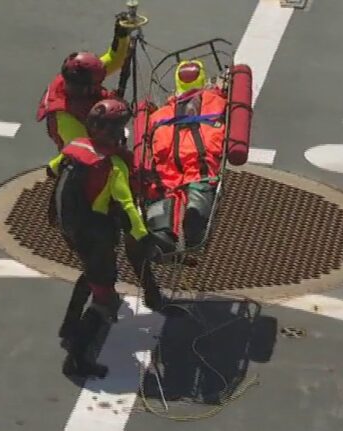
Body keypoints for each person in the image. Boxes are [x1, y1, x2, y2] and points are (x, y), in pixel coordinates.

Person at [48, 98, 161, 378]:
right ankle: (77, 360)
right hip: (95, 234)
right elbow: (128, 208)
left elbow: (51, 169)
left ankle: (69, 326)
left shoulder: (75, 148)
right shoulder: (113, 166)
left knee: (90, 273)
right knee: (105, 298)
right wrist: (145, 239)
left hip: (70, 229)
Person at [133, 59, 229, 254]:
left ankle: (163, 229)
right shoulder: (216, 102)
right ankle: (195, 220)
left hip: (168, 164)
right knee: (200, 184)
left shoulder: (159, 115)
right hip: (200, 162)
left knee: (166, 189)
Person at [36, 14, 132, 151]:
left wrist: (121, 36)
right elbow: (88, 153)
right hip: (82, 151)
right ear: (87, 88)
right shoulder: (67, 120)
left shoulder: (79, 75)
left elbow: (114, 59)